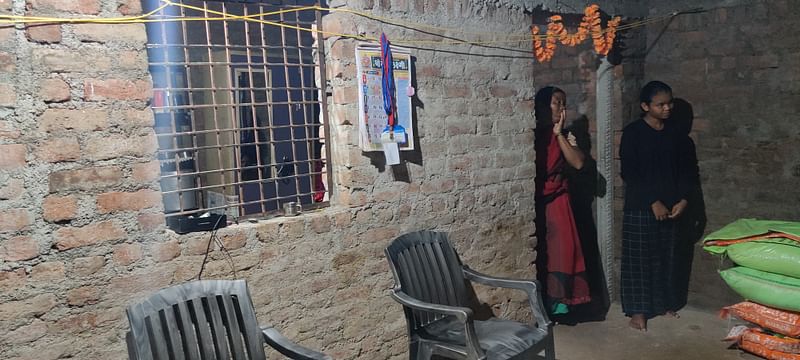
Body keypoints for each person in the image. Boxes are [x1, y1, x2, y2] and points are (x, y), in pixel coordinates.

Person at [619, 81, 694, 331]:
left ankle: (664, 304)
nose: (667, 108)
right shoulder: (633, 133)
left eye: (669, 103)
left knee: (666, 258)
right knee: (639, 260)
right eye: (660, 104)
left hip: (672, 207)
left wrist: (683, 199)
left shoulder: (677, 137)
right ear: (645, 106)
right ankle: (638, 311)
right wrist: (653, 201)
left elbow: (687, 172)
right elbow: (630, 172)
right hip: (641, 206)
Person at [534, 86, 591, 318]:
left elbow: (578, 163)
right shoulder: (531, 134)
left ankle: (559, 303)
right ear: (541, 106)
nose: (561, 107)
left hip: (558, 200)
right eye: (556, 102)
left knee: (563, 250)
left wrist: (559, 134)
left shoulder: (565, 136)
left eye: (563, 103)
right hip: (538, 200)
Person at [669, 98, 707, 312]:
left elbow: (691, 175)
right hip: (656, 204)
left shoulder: (685, 143)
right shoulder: (656, 139)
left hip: (681, 205)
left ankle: (671, 302)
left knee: (678, 257)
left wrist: (684, 200)